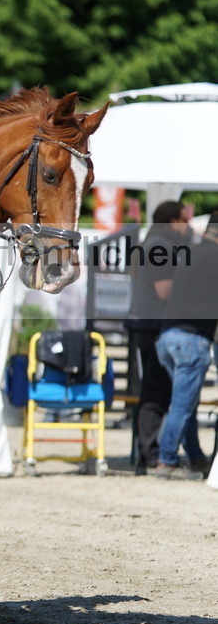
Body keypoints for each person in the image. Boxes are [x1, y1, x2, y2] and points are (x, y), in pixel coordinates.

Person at [125, 201, 192, 474]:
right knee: (155, 391)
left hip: (150, 324)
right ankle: (150, 453)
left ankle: (149, 452)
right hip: (154, 326)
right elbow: (165, 291)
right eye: (184, 220)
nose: (187, 225)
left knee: (156, 390)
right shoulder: (160, 246)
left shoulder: (156, 242)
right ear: (172, 221)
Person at [153, 212, 218, 480]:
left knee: (185, 402)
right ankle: (166, 459)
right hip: (191, 339)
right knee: (183, 404)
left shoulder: (191, 252)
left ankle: (196, 457)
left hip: (168, 336)